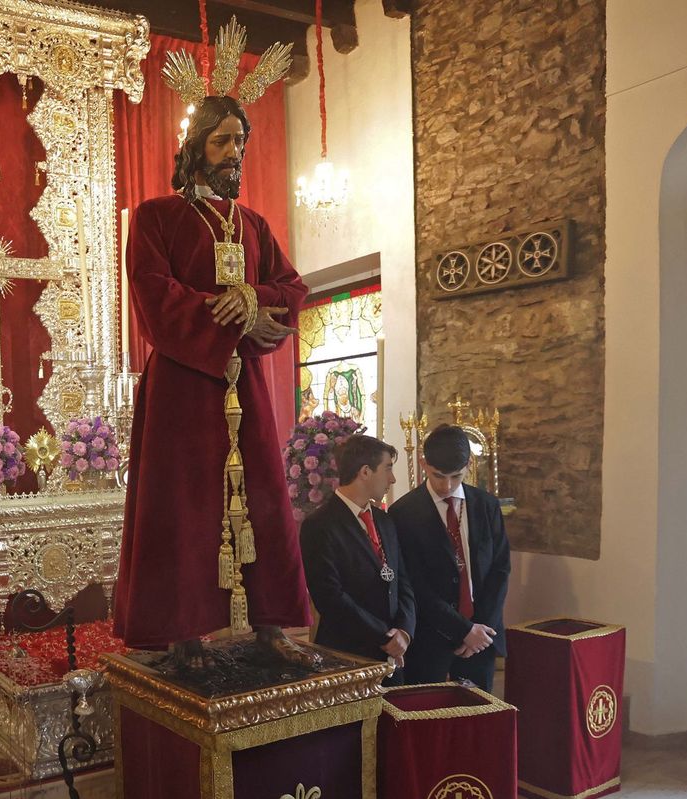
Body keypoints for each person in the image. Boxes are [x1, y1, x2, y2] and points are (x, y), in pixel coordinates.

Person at [115, 91, 310, 667]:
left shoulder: (253, 224)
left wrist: (253, 299)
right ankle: (186, 631)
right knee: (184, 504)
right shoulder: (158, 217)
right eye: (221, 140)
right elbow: (154, 295)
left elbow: (292, 290)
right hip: (183, 385)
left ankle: (271, 624)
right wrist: (222, 316)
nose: (233, 153)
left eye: (240, 143)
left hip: (244, 384)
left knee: (264, 498)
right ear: (194, 147)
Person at [390, 424, 512, 690]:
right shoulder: (404, 513)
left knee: (478, 720)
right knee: (427, 720)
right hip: (430, 639)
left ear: (469, 463)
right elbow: (414, 584)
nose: (446, 486)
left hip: (483, 638)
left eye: (456, 476)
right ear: (424, 464)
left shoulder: (487, 506)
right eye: (438, 476)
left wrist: (481, 631)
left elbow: (500, 569)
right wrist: (463, 631)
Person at [300, 435, 415, 680]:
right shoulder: (320, 525)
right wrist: (384, 637)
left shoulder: (384, 520)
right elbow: (330, 597)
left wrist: (404, 631)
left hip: (393, 657)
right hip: (347, 657)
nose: (392, 479)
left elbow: (402, 580)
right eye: (388, 469)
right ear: (365, 472)